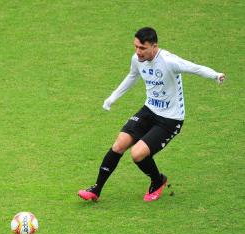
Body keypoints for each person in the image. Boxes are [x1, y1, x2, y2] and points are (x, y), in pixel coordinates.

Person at [78, 27, 225, 202]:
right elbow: (132, 76)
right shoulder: (137, 59)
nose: (137, 52)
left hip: (170, 119)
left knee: (137, 154)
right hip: (149, 110)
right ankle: (96, 190)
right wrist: (112, 98)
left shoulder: (169, 61)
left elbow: (194, 68)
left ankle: (158, 181)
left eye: (142, 48)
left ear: (154, 46)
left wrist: (215, 75)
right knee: (119, 144)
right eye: (135, 47)